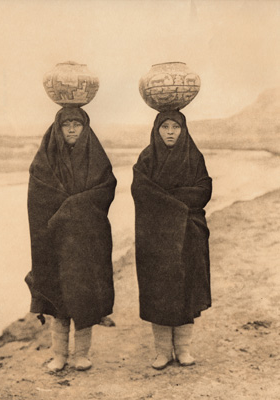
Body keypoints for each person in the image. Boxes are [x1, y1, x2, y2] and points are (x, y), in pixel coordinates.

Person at [25, 106, 117, 372]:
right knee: (58, 299)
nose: (72, 129)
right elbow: (39, 194)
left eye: (77, 124)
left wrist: (70, 207)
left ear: (85, 128)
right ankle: (59, 355)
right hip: (53, 239)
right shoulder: (45, 158)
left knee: (84, 296)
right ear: (58, 128)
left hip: (87, 239)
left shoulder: (96, 157)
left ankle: (82, 354)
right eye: (67, 124)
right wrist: (64, 211)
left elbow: (105, 189)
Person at [131, 110, 212, 370]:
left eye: (175, 127)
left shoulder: (194, 156)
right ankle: (163, 352)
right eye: (164, 127)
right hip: (156, 236)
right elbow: (141, 191)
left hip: (189, 233)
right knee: (160, 292)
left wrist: (167, 199)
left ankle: (184, 350)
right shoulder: (146, 158)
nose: (169, 132)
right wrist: (177, 202)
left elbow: (203, 190)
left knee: (186, 290)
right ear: (156, 130)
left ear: (183, 130)